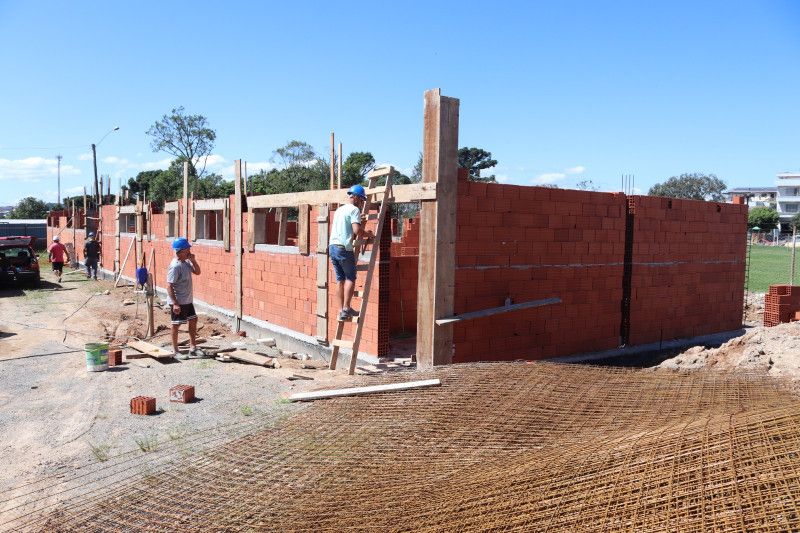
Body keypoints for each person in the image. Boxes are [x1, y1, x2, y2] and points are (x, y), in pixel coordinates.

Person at [329, 184, 374, 321]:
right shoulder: (354, 210)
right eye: (361, 200)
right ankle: (347, 308)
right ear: (354, 197)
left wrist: (358, 218)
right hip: (344, 248)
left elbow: (346, 226)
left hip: (333, 247)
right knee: (350, 278)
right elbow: (357, 231)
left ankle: (340, 310)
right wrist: (369, 234)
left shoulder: (340, 210)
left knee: (340, 279)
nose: (361, 203)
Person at [166, 237, 205, 360]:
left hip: (187, 300)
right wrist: (175, 303)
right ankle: (175, 351)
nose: (189, 250)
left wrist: (193, 260)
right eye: (187, 248)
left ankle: (193, 348)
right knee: (176, 325)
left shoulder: (186, 262)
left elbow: (198, 272)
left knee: (193, 320)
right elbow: (169, 286)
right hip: (178, 301)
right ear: (181, 250)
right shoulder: (175, 266)